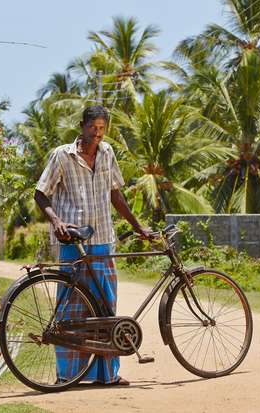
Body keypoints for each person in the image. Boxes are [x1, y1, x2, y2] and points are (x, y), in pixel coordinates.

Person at [34, 105, 152, 386]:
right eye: (92, 128)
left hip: (102, 240)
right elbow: (40, 194)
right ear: (82, 126)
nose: (97, 134)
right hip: (72, 241)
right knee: (70, 310)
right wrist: (56, 222)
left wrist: (138, 227)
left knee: (106, 307)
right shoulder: (63, 155)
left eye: (101, 129)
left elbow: (116, 194)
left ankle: (107, 375)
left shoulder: (108, 153)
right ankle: (68, 375)